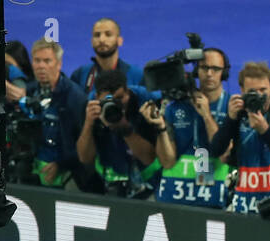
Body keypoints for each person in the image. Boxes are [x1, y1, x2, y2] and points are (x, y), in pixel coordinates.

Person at [208, 62, 270, 214]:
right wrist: (230, 119)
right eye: (252, 91)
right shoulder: (238, 112)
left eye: (263, 90)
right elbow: (215, 150)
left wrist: (265, 130)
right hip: (243, 205)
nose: (259, 96)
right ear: (242, 91)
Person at [152, 48, 233, 208]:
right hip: (174, 197)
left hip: (214, 200)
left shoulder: (232, 108)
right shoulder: (175, 107)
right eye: (204, 68)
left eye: (215, 69)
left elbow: (225, 154)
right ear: (196, 71)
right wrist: (161, 128)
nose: (209, 73)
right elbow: (167, 162)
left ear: (224, 73)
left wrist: (207, 116)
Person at [75, 69, 159, 198]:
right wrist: (88, 123)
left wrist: (125, 129)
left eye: (120, 98)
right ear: (97, 97)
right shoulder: (90, 107)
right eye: (108, 100)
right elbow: (85, 159)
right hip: (108, 183)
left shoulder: (145, 102)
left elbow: (149, 158)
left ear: (128, 92)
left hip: (149, 183)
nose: (116, 104)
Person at [20, 39, 88, 188]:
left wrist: (62, 164)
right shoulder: (29, 90)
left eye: (47, 61)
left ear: (59, 64)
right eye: (37, 60)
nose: (41, 66)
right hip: (32, 172)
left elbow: (84, 141)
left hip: (67, 176)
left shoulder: (75, 97)